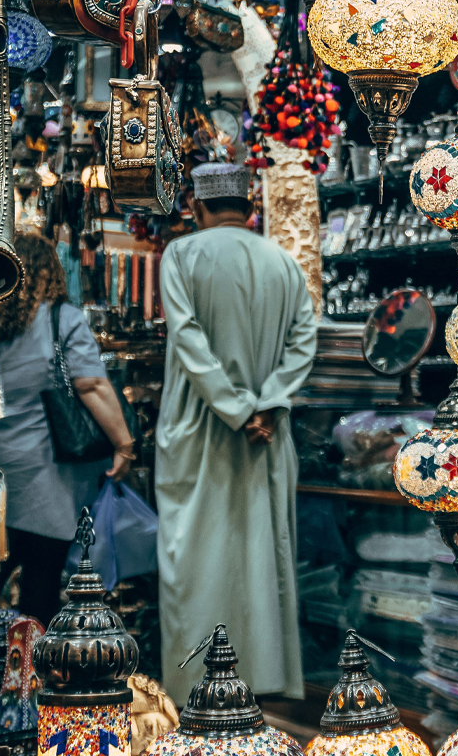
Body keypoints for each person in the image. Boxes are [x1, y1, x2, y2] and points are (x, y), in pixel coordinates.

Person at [155, 162, 318, 703]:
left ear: (198, 208)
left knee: (195, 563)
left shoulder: (180, 255)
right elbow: (304, 341)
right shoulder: (284, 264)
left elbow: (188, 340)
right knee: (257, 559)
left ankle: (194, 691)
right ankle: (259, 684)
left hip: (202, 431)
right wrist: (266, 405)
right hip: (265, 437)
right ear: (250, 208)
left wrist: (235, 408)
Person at [0, 232, 136, 626]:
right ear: (50, 272)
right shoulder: (62, 318)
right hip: (49, 475)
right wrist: (124, 443)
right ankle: (28, 671)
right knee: (42, 582)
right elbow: (91, 384)